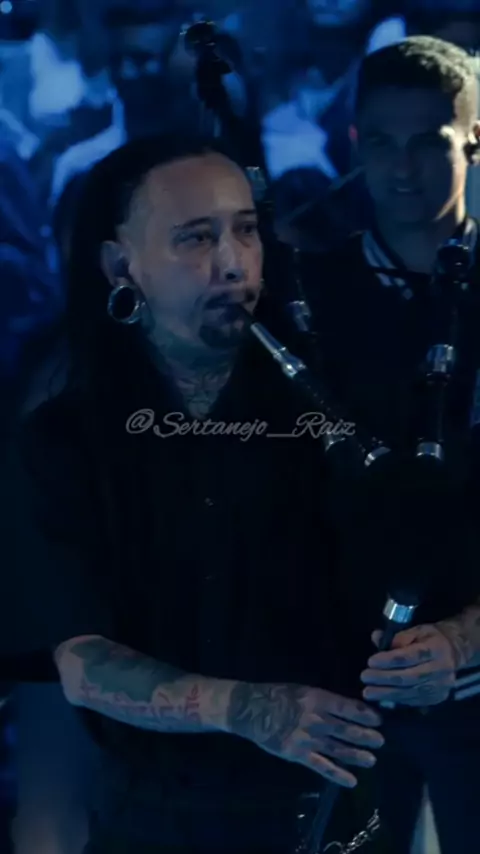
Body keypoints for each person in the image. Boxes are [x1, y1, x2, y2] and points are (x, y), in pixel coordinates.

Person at [4, 136, 386, 854]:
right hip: (153, 819)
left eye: (246, 229)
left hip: (332, 815)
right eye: (196, 238)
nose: (234, 263)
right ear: (121, 265)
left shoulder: (333, 410)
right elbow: (80, 661)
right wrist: (247, 708)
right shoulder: (64, 437)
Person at [301, 36, 480, 854]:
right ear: (353, 144)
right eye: (381, 141)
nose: (403, 168)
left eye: (428, 143)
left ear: (472, 141)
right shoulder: (310, 295)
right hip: (342, 679)